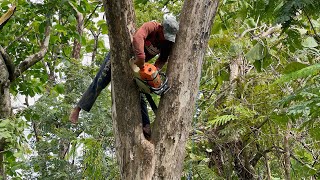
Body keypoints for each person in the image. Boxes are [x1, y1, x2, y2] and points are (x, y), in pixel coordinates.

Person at [69, 14, 179, 139]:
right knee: (100, 80)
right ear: (162, 28)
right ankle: (78, 108)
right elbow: (138, 37)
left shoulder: (167, 43)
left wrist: (154, 71)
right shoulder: (152, 26)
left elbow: (162, 59)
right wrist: (141, 57)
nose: (166, 38)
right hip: (121, 55)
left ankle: (146, 125)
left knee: (140, 92)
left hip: (137, 67)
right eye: (166, 34)